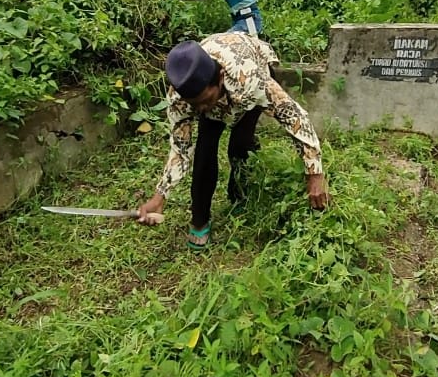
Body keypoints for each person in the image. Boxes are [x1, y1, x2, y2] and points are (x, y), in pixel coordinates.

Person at [137, 32, 329, 250]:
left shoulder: (249, 80)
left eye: (203, 101)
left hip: (251, 68)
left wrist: (315, 173)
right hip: (220, 86)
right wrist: (160, 195)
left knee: (240, 144)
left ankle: (240, 195)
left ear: (219, 78)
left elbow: (293, 116)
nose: (200, 109)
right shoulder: (181, 96)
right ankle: (200, 220)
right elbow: (180, 150)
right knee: (204, 152)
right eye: (194, 104)